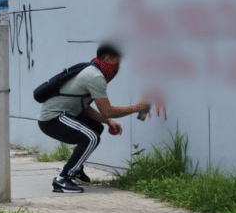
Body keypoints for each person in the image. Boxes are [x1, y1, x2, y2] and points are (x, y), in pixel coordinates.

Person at [38, 43, 151, 193]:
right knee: (91, 137)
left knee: (96, 127)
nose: (117, 68)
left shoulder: (91, 70)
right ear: (107, 58)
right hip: (52, 119)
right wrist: (136, 108)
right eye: (116, 62)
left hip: (64, 114)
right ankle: (63, 179)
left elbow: (84, 107)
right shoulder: (95, 77)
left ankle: (76, 169)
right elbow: (107, 110)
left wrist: (107, 121)